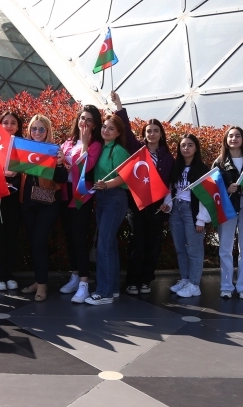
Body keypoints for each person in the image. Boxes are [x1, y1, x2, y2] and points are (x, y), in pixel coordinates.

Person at [112, 92, 172, 295]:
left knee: (153, 245)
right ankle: (132, 281)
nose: (152, 134)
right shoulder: (138, 150)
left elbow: (170, 184)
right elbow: (126, 130)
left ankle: (146, 280)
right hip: (136, 205)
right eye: (148, 131)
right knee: (136, 243)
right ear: (145, 134)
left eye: (156, 131)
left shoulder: (168, 158)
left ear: (161, 134)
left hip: (157, 208)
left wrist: (167, 203)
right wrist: (119, 105)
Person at [58, 105, 103, 304]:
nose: (84, 122)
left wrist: (84, 143)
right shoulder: (68, 142)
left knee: (79, 239)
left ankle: (84, 283)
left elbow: (86, 167)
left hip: (81, 197)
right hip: (64, 194)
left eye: (89, 120)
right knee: (69, 238)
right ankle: (75, 276)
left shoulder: (95, 144)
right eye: (82, 118)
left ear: (95, 125)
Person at [19, 114, 67, 302]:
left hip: (47, 202)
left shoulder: (54, 150)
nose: (37, 132)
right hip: (27, 202)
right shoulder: (23, 148)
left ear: (47, 131)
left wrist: (60, 163)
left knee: (39, 243)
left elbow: (62, 179)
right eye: (34, 128)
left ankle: (42, 285)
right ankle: (38, 280)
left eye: (41, 129)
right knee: (33, 243)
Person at [87, 114, 131, 305]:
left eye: (111, 128)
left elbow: (125, 176)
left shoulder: (118, 151)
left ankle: (104, 293)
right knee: (109, 245)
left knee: (104, 244)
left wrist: (106, 185)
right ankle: (112, 289)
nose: (106, 130)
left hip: (114, 198)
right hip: (103, 198)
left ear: (118, 133)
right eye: (104, 127)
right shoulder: (102, 148)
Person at [213, 126, 243, 300]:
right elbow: (213, 188)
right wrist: (226, 189)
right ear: (226, 140)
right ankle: (226, 286)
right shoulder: (219, 162)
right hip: (228, 208)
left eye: (237, 136)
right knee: (225, 249)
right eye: (231, 136)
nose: (234, 139)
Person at [161, 133, 210, 298]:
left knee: (194, 249)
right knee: (180, 248)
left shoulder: (202, 169)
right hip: (177, 210)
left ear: (196, 148)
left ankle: (194, 284)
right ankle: (185, 279)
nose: (186, 148)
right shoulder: (176, 167)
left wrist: (201, 219)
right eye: (183, 145)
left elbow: (207, 197)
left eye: (190, 145)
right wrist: (167, 205)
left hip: (192, 212)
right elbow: (170, 190)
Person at [0, 111, 23, 291]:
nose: (9, 126)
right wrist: (0, 175)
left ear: (18, 126)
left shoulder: (22, 147)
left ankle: (9, 275)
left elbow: (27, 171)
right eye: (5, 122)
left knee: (11, 237)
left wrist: (14, 178)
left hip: (14, 199)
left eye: (13, 123)